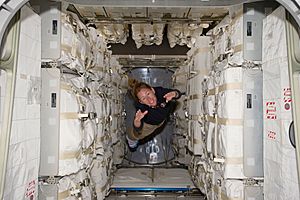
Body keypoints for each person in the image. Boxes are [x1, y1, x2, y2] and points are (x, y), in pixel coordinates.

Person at [127, 79, 182, 149]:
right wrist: (137, 121)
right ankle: (131, 139)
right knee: (137, 135)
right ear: (141, 102)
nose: (150, 100)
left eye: (148, 94)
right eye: (144, 99)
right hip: (150, 125)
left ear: (152, 90)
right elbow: (138, 129)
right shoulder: (141, 109)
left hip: (163, 116)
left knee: (176, 105)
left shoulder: (160, 92)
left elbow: (177, 93)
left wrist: (174, 94)